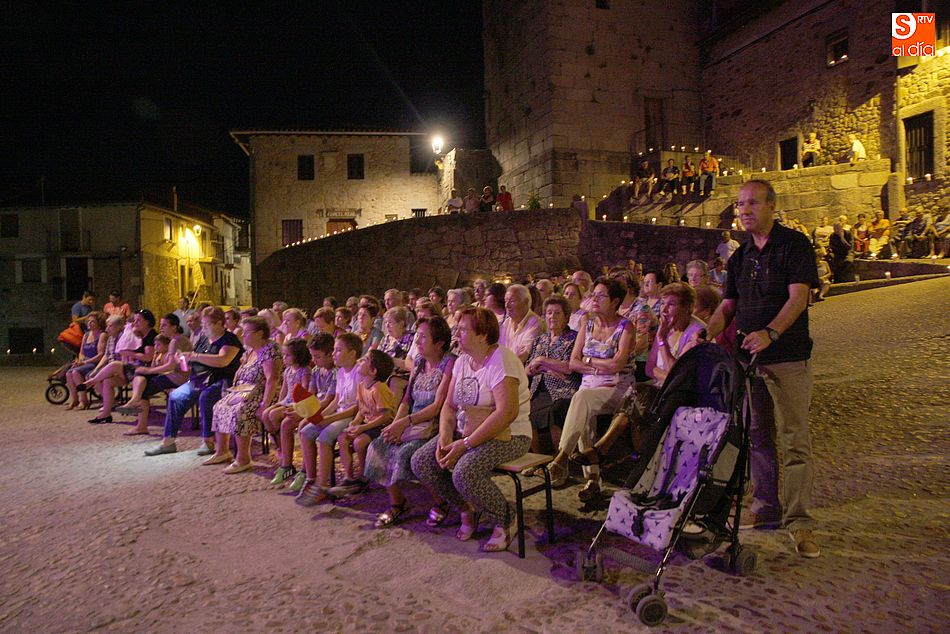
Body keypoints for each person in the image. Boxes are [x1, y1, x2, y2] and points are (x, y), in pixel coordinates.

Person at [703, 179, 821, 558]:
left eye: (752, 203)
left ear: (772, 205)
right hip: (749, 361)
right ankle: (766, 508)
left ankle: (799, 521)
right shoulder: (740, 258)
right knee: (757, 438)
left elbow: (798, 298)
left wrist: (771, 333)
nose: (744, 210)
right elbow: (728, 307)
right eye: (740, 204)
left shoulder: (794, 245)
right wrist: (703, 334)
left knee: (794, 441)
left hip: (786, 358)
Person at [411, 307, 532, 553]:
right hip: (468, 431)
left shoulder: (502, 360)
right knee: (422, 461)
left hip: (510, 435)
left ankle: (506, 518)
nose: (457, 333)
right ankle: (467, 508)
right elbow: (449, 405)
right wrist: (445, 438)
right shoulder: (463, 362)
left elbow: (507, 413)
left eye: (463, 329)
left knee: (464, 472)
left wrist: (465, 445)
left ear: (482, 335)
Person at [545, 277, 634, 500]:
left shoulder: (626, 327)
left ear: (615, 301)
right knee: (583, 406)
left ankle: (562, 456)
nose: (594, 299)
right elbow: (573, 362)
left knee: (581, 399)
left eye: (601, 295)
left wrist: (589, 362)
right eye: (593, 294)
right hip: (589, 388)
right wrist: (597, 366)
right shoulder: (589, 325)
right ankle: (592, 480)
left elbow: (618, 364)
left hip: (617, 388)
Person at [365, 317, 455, 528]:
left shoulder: (449, 362)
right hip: (410, 423)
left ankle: (441, 501)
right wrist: (393, 426)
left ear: (440, 342)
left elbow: (438, 405)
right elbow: (407, 400)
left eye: (423, 337)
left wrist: (403, 423)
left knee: (410, 453)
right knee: (379, 445)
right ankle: (397, 503)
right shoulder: (419, 363)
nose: (418, 341)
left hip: (435, 425)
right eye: (417, 336)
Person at [144, 306, 243, 457]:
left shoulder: (229, 339)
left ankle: (208, 440)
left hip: (222, 379)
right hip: (200, 379)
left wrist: (195, 356)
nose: (203, 328)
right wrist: (183, 360)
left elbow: (223, 360)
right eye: (202, 324)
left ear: (219, 323)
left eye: (207, 324)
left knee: (206, 397)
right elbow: (190, 364)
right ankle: (168, 441)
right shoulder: (204, 339)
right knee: (175, 397)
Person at [203, 317, 280, 473]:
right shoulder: (251, 350)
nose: (243, 336)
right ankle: (222, 451)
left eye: (246, 332)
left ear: (259, 333)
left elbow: (272, 379)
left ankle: (243, 459)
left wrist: (264, 404)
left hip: (263, 393)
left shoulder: (270, 350)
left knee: (240, 412)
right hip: (244, 391)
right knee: (219, 406)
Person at [295, 333, 363, 506]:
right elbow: (336, 401)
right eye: (333, 350)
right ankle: (311, 478)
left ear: (352, 353)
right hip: (339, 413)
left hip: (352, 417)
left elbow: (356, 407)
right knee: (306, 431)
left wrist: (329, 419)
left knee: (325, 436)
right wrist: (322, 416)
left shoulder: (358, 372)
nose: (333, 354)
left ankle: (322, 484)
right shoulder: (341, 372)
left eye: (338, 350)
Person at [271, 333, 338, 489]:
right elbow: (311, 395)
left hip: (326, 409)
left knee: (302, 426)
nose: (314, 360)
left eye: (318, 356)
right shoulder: (315, 371)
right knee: (286, 423)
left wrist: (301, 411)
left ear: (330, 354)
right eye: (313, 356)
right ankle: (286, 466)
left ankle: (306, 472)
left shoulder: (335, 373)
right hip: (313, 407)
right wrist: (297, 408)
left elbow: (327, 401)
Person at [328, 350, 397, 496]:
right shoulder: (361, 385)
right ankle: (349, 477)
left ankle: (364, 476)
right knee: (343, 438)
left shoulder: (378, 388)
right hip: (367, 424)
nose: (359, 360)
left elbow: (385, 416)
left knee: (359, 442)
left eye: (364, 360)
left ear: (373, 371)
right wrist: (355, 422)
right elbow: (361, 409)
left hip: (381, 426)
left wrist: (363, 427)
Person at [119, 313, 192, 434]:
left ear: (174, 327)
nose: (161, 327)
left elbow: (171, 365)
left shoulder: (175, 341)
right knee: (141, 375)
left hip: (179, 377)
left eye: (164, 325)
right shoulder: (178, 339)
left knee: (144, 387)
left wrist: (149, 370)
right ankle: (135, 400)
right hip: (178, 374)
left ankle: (140, 422)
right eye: (160, 325)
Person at [525, 296, 579, 454]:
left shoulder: (574, 339)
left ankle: (559, 460)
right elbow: (528, 369)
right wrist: (548, 367)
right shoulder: (540, 340)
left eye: (557, 313)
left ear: (567, 316)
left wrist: (541, 360)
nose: (552, 317)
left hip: (563, 389)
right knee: (524, 411)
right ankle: (536, 460)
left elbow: (569, 367)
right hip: (538, 389)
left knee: (555, 412)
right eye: (549, 313)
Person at [84, 309, 157, 424]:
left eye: (138, 320)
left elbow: (148, 357)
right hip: (133, 368)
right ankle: (105, 414)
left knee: (115, 364)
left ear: (147, 322)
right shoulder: (137, 334)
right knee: (108, 381)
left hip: (145, 370)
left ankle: (92, 381)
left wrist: (128, 353)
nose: (135, 323)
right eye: (134, 320)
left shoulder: (151, 335)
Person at [646, 284, 705, 386]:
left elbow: (677, 374)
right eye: (662, 303)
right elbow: (649, 368)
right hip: (665, 386)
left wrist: (662, 340)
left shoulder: (696, 333)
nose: (664, 310)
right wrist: (670, 380)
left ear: (686, 307)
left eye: (671, 304)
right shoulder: (666, 326)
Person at [261, 338, 311, 448]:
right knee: (265, 415)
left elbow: (305, 389)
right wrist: (278, 403)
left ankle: (284, 444)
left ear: (298, 355)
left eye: (288, 355)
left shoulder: (304, 371)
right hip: (287, 400)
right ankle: (279, 441)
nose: (284, 358)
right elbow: (284, 389)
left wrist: (294, 405)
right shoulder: (288, 370)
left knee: (274, 415)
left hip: (297, 402)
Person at [65, 311, 107, 410]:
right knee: (68, 373)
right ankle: (75, 399)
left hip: (95, 363)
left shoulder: (102, 335)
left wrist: (84, 362)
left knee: (75, 372)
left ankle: (83, 400)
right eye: (88, 321)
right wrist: (79, 361)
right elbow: (81, 352)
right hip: (85, 362)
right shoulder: (86, 335)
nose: (89, 323)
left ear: (99, 323)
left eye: (92, 322)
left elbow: (101, 355)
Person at [499, 284, 543, 363]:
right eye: (505, 301)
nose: (507, 305)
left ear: (525, 302)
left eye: (512, 301)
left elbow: (523, 357)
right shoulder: (507, 323)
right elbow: (499, 350)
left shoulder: (535, 323)